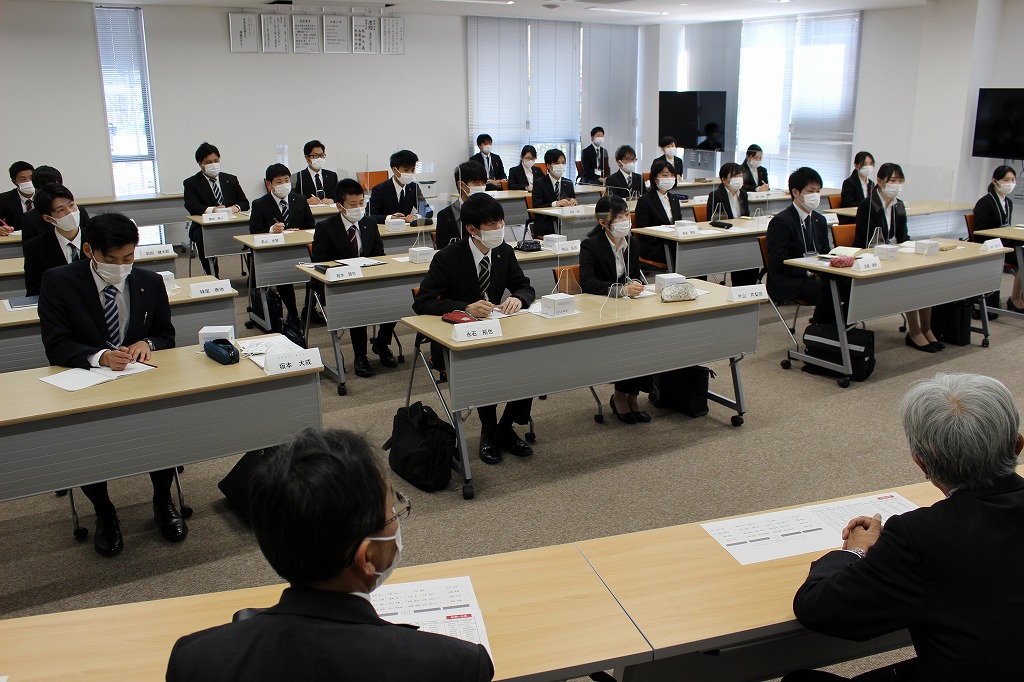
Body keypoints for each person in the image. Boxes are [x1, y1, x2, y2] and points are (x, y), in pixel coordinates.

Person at [166, 428, 494, 681]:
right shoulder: (456, 666)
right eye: (393, 512)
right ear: (367, 558)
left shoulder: (195, 660)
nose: (398, 516)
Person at [783, 373, 1024, 682]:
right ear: (1017, 446)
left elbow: (819, 609)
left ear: (921, 463)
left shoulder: (920, 536)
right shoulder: (924, 535)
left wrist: (857, 551)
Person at [37, 213, 184, 557]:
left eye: (128, 257)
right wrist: (100, 356)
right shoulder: (59, 281)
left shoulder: (149, 281)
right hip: (86, 382)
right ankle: (104, 511)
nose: (121, 266)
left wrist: (148, 342)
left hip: (140, 380)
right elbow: (56, 344)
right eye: (111, 259)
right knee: (89, 445)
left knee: (160, 430)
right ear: (89, 250)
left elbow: (166, 335)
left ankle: (163, 500)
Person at [413, 194, 536, 465]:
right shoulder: (448, 257)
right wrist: (465, 307)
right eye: (492, 224)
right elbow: (421, 302)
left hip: (499, 330)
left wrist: (519, 298)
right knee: (486, 365)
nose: (499, 229)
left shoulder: (504, 251)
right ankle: (488, 430)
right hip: (457, 338)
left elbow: (524, 285)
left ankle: (505, 427)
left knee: (530, 358)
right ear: (472, 229)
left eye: (501, 222)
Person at [311, 178, 399, 378]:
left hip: (368, 280)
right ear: (340, 206)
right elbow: (320, 263)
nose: (358, 208)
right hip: (340, 286)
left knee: (397, 299)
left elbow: (379, 255)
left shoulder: (369, 223)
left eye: (361, 203)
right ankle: (360, 356)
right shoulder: (325, 227)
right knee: (358, 305)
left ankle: (381, 343)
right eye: (352, 204)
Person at [579, 195, 653, 424]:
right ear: (603, 222)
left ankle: (633, 396)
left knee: (647, 334)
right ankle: (620, 396)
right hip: (601, 307)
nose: (625, 220)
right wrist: (621, 290)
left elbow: (634, 273)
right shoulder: (590, 245)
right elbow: (588, 282)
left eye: (626, 215)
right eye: (618, 217)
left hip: (628, 305)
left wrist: (635, 284)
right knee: (629, 340)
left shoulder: (633, 242)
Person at [854, 163, 940, 353]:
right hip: (874, 259)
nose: (897, 185)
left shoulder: (898, 205)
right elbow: (864, 242)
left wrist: (911, 250)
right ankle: (914, 331)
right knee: (912, 282)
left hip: (895, 256)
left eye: (900, 181)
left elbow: (903, 237)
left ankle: (927, 329)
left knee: (925, 278)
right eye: (893, 180)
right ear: (880, 181)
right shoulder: (868, 205)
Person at [765, 166, 834, 322]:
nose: (816, 196)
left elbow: (825, 252)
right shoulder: (781, 222)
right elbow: (779, 261)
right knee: (829, 292)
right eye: (811, 191)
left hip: (816, 274)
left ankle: (831, 327)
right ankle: (822, 328)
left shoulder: (819, 219)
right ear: (795, 192)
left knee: (846, 285)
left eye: (818, 191)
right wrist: (809, 272)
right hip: (790, 279)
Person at [249, 163, 315, 325]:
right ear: (269, 184)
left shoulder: (300, 200)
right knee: (284, 274)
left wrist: (298, 232)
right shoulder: (260, 204)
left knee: (314, 273)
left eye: (286, 180)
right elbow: (254, 232)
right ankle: (292, 312)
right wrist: (271, 229)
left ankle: (309, 309)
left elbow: (311, 225)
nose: (284, 184)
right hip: (276, 253)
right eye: (279, 182)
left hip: (301, 249)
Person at [183, 142, 250, 277]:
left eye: (216, 160)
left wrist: (234, 208)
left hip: (233, 223)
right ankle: (213, 278)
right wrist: (213, 210)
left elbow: (244, 202)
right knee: (203, 239)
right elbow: (192, 206)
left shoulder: (230, 179)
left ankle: (254, 279)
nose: (213, 164)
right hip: (205, 227)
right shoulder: (191, 183)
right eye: (208, 162)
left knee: (252, 233)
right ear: (200, 164)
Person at [23, 184, 88, 296]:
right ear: (48, 218)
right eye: (61, 210)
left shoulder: (97, 238)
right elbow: (35, 290)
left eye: (71, 205)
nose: (70, 212)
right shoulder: (36, 248)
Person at [973, 165, 1020, 310]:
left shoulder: (1008, 203)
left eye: (1013, 180)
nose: (1010, 183)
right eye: (1006, 180)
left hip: (1005, 244)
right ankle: (1016, 299)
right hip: (990, 246)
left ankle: (1018, 297)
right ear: (995, 181)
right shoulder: (985, 202)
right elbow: (979, 232)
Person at [708, 162, 758, 286]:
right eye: (735, 176)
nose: (739, 179)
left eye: (740, 175)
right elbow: (711, 220)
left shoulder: (743, 194)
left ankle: (748, 286)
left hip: (741, 234)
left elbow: (746, 216)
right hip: (724, 235)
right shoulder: (716, 195)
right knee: (741, 254)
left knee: (752, 253)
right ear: (724, 180)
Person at [20, 165, 85, 248]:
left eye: (57, 186)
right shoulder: (31, 218)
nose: (54, 191)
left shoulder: (79, 211)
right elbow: (30, 247)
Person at [634, 158, 683, 263]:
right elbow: (643, 231)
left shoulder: (674, 199)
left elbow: (679, 223)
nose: (669, 178)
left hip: (673, 242)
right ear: (655, 178)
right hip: (654, 246)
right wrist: (665, 238)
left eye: (672, 175)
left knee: (691, 251)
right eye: (665, 175)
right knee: (681, 254)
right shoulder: (645, 200)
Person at [369, 149, 432, 225]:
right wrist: (390, 218)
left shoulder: (413, 187)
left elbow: (428, 210)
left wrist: (416, 216)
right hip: (386, 229)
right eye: (406, 170)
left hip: (407, 229)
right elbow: (370, 215)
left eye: (412, 170)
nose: (410, 173)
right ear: (394, 170)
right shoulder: (380, 189)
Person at [436, 161, 488, 247]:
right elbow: (443, 249)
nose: (481, 186)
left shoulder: (489, 210)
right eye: (476, 182)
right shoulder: (446, 215)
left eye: (484, 183)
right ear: (461, 185)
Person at [531, 149, 577, 237]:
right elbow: (537, 207)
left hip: (565, 221)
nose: (561, 166)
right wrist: (556, 204)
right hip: (546, 222)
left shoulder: (568, 183)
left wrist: (573, 202)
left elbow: (571, 200)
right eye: (557, 163)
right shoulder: (539, 183)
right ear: (548, 165)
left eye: (563, 163)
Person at [293, 139, 338, 206]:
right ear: (307, 158)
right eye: (315, 155)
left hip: (330, 210)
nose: (319, 159)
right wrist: (306, 201)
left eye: (321, 155)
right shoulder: (299, 177)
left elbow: (341, 196)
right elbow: (293, 199)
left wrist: (332, 200)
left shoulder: (332, 176)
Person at [0, 161, 34, 234]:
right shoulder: (3, 199)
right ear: (14, 182)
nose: (29, 182)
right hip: (16, 239)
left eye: (31, 178)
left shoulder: (45, 197)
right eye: (23, 179)